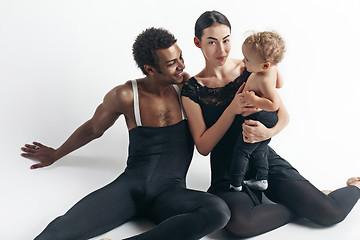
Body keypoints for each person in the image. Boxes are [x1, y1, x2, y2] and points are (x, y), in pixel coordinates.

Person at [20, 27, 230, 240]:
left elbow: (225, 114)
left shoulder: (188, 87)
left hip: (171, 193)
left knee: (218, 212)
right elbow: (94, 128)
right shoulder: (125, 95)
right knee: (56, 234)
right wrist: (55, 155)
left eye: (181, 57)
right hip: (130, 190)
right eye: (171, 63)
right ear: (150, 69)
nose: (182, 66)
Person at [181, 10, 360, 238]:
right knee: (240, 226)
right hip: (228, 169)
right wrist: (232, 110)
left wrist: (268, 131)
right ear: (198, 43)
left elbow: (283, 114)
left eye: (226, 40)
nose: (222, 49)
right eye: (212, 42)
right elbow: (203, 147)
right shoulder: (192, 89)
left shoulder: (251, 67)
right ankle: (300, 208)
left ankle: (356, 186)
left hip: (263, 156)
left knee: (330, 213)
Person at [230, 31, 285, 192]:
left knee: (242, 151)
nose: (243, 61)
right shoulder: (270, 70)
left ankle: (235, 184)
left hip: (260, 118)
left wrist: (255, 100)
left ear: (265, 65)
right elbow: (280, 84)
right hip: (266, 118)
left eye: (247, 60)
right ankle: (262, 179)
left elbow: (274, 104)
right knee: (260, 150)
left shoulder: (264, 79)